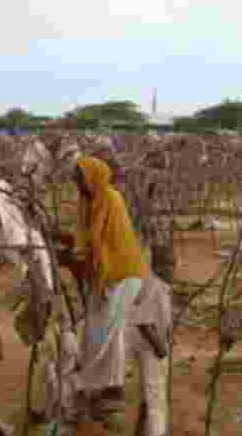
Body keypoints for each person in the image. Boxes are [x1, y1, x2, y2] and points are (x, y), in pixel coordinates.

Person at [55, 156, 166, 421]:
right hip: (102, 274)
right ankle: (95, 381)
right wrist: (75, 253)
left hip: (123, 273)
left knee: (110, 327)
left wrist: (76, 257)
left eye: (79, 176)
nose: (75, 181)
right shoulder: (87, 202)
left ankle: (113, 386)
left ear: (93, 177)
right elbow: (84, 239)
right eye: (75, 177)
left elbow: (104, 244)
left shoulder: (111, 199)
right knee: (94, 328)